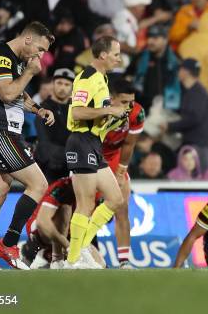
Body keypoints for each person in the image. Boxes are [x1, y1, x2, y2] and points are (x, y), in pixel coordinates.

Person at [0, 21, 56, 270]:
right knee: (38, 184)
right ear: (27, 39)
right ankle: (9, 242)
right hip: (0, 133)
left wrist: (37, 109)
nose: (40, 55)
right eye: (39, 48)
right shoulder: (0, 58)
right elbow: (6, 93)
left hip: (0, 133)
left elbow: (18, 95)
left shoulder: (15, 61)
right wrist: (29, 73)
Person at [64, 36, 127, 269]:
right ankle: (72, 260)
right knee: (85, 203)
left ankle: (80, 249)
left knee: (115, 199)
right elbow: (78, 112)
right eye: (116, 54)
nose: (119, 59)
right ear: (102, 55)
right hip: (80, 142)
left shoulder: (103, 78)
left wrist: (114, 119)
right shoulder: (87, 77)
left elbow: (96, 116)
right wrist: (109, 109)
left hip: (93, 144)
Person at [100, 79, 145, 268]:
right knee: (82, 206)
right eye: (124, 102)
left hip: (115, 157)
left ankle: (124, 261)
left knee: (122, 207)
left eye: (131, 102)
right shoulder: (98, 107)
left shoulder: (137, 112)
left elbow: (129, 143)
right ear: (111, 98)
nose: (129, 107)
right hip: (92, 154)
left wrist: (121, 172)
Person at [161, 59, 208, 172]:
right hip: (197, 144)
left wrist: (170, 126)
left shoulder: (197, 92)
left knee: (202, 182)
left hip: (202, 146)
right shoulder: (192, 91)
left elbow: (194, 118)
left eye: (180, 69)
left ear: (186, 72)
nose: (178, 72)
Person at [35, 68, 75, 182]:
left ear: (72, 87)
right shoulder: (43, 109)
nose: (62, 88)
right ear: (53, 84)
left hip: (71, 166)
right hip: (49, 168)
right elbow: (44, 143)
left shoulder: (75, 110)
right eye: (59, 83)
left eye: (67, 84)